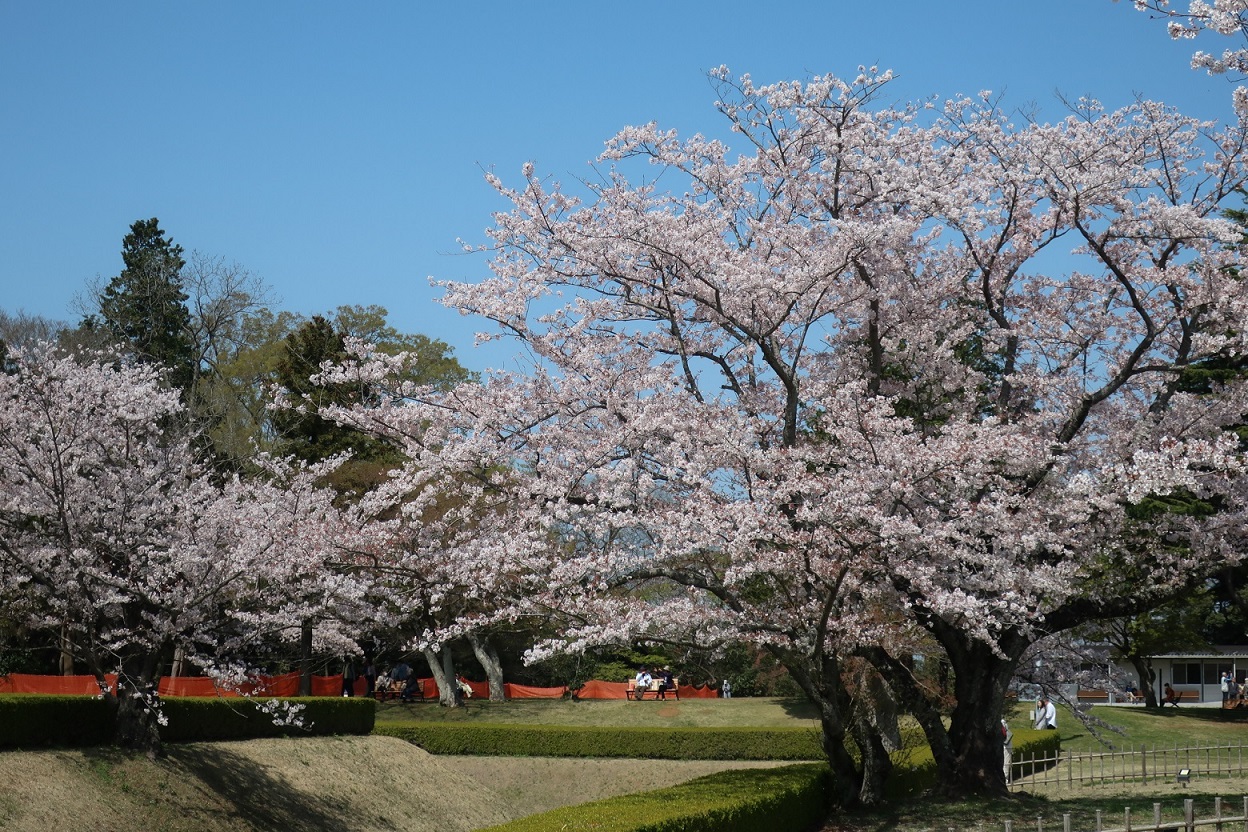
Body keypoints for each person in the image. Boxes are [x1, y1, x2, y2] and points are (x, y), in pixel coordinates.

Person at [1001, 719, 1014, 785]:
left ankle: (1005, 779)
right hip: (1004, 746)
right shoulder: (1002, 722)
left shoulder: (1002, 722)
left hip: (1006, 746)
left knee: (1006, 764)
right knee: (1005, 763)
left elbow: (1004, 733)